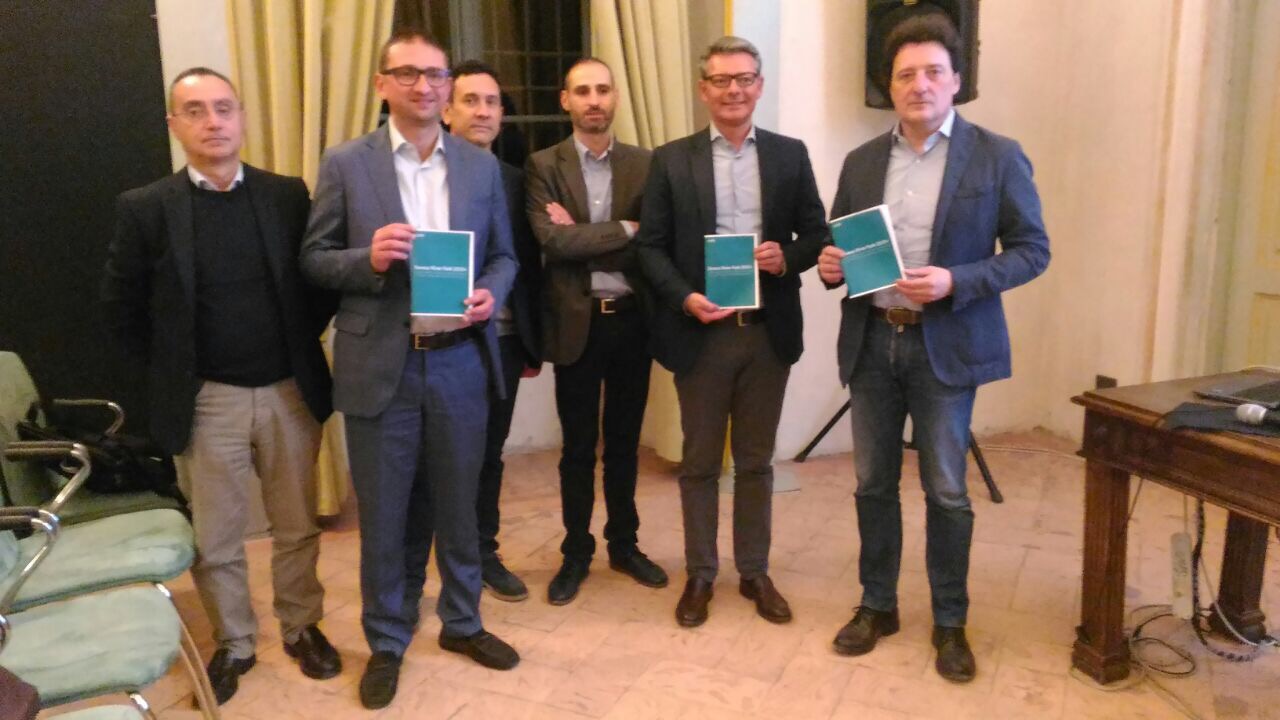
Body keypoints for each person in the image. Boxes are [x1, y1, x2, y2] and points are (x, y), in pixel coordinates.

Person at [817, 14, 1050, 683]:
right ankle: (877, 605)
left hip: (944, 346)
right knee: (872, 484)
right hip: (872, 341)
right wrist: (830, 266)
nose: (919, 85)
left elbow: (1032, 250)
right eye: (905, 74)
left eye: (932, 72)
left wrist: (957, 281)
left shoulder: (997, 155)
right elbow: (841, 247)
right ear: (889, 86)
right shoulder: (862, 161)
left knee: (946, 490)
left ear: (955, 81)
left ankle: (950, 620)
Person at [102, 67, 340, 704]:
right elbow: (122, 309)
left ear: (241, 118)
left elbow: (316, 286)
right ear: (174, 124)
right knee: (217, 539)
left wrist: (295, 347)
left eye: (224, 108)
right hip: (207, 400)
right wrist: (173, 373)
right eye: (196, 110)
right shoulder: (146, 207)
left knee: (297, 525)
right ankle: (234, 641)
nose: (213, 121)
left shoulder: (286, 194)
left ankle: (302, 626)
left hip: (290, 392)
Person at [298, 31, 519, 710]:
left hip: (459, 362)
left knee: (459, 505)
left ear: (447, 86)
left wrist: (492, 294)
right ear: (382, 84)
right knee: (386, 516)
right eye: (408, 74)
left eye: (435, 75)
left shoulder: (480, 166)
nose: (424, 86)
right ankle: (387, 638)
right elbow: (313, 259)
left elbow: (505, 257)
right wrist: (366, 258)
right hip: (380, 368)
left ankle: (463, 622)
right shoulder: (346, 163)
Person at [636, 37, 827, 628]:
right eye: (721, 80)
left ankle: (754, 571)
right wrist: (684, 297)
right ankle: (700, 572)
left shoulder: (790, 155)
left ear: (759, 86)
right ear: (704, 90)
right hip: (702, 333)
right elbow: (650, 247)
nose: (733, 89)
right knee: (698, 462)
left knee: (755, 461)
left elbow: (817, 234)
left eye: (744, 78)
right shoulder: (671, 160)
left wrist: (786, 258)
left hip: (767, 333)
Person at [524, 57, 668, 606]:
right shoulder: (543, 165)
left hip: (632, 322)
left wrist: (585, 235)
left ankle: (624, 545)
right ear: (565, 100)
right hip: (576, 325)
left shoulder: (646, 164)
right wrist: (622, 228)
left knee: (626, 444)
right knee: (578, 448)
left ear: (615, 97)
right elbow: (552, 242)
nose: (594, 100)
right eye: (582, 91)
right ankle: (576, 552)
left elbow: (652, 242)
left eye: (603, 90)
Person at [443, 59, 542, 603]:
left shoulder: (515, 180)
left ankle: (483, 551)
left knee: (488, 454)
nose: (482, 112)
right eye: (470, 100)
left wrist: (530, 343)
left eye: (491, 102)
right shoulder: (424, 174)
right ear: (446, 109)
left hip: (500, 340)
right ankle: (441, 551)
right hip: (437, 341)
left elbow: (526, 265)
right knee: (440, 457)